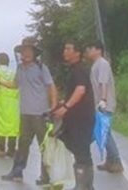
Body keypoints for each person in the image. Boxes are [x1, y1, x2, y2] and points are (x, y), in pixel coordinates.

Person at [0, 37, 57, 184]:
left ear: (34, 53)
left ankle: (46, 176)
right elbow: (15, 84)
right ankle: (17, 172)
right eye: (24, 50)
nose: (26, 53)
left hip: (40, 114)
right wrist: (1, 83)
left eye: (29, 50)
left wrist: (54, 106)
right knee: (23, 145)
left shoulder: (41, 67)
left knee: (43, 145)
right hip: (25, 113)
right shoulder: (19, 68)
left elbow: (51, 86)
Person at [49, 41, 97, 190]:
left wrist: (66, 107)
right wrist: (63, 103)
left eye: (68, 48)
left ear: (77, 53)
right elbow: (75, 92)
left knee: (81, 151)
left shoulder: (79, 70)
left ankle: (83, 186)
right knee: (78, 149)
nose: (65, 51)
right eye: (65, 48)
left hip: (81, 118)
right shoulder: (74, 70)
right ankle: (86, 185)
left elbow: (81, 90)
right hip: (77, 117)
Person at [86, 40, 123, 173]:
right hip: (99, 105)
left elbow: (103, 83)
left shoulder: (102, 64)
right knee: (104, 131)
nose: (88, 51)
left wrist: (103, 100)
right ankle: (111, 160)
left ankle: (115, 160)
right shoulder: (95, 65)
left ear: (98, 50)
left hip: (104, 104)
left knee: (103, 132)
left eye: (90, 48)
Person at [0, 52, 20, 158]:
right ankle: (11, 150)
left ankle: (1, 149)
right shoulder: (14, 72)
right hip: (14, 103)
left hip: (1, 103)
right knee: (13, 127)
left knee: (0, 126)